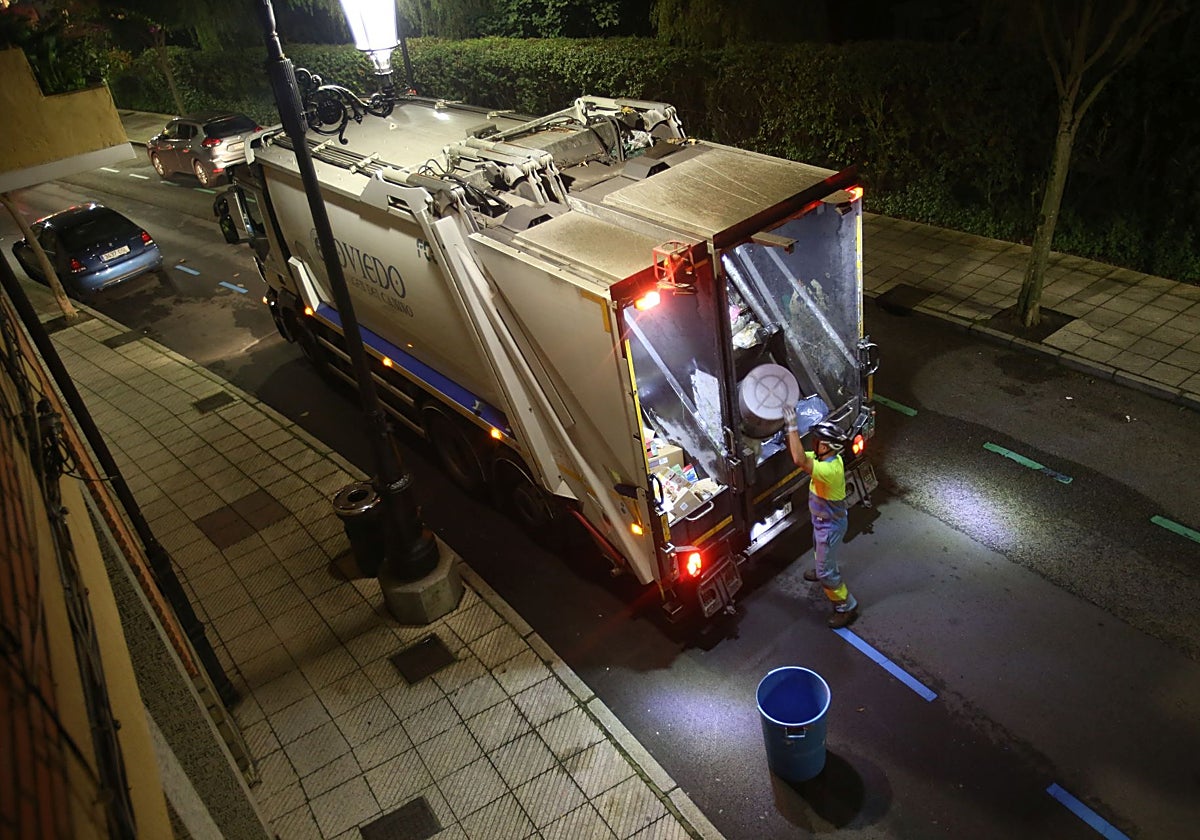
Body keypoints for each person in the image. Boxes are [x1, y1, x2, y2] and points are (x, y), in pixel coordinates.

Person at [782, 406, 859, 628]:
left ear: (825, 446)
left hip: (830, 525)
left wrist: (792, 426)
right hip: (823, 522)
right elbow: (799, 455)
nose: (813, 445)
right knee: (819, 548)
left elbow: (798, 459)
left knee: (827, 573)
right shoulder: (828, 459)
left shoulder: (829, 471)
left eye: (816, 442)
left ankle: (846, 606)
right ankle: (822, 566)